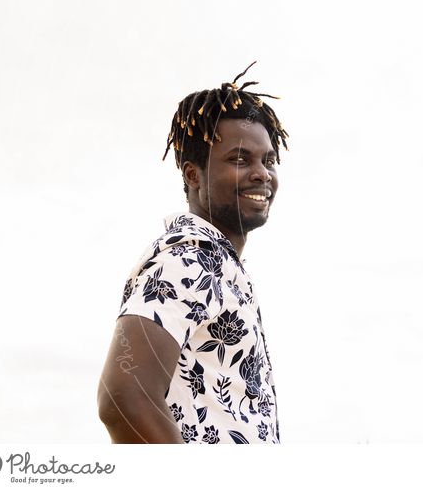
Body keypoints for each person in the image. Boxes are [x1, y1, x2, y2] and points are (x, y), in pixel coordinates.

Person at [97, 63, 289, 444]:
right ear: (193, 175)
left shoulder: (219, 267)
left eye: (267, 160)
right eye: (239, 159)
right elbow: (123, 398)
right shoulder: (188, 259)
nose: (261, 173)